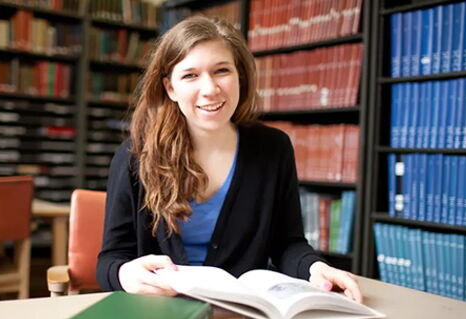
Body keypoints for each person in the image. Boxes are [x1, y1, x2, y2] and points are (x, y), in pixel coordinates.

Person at [96, 15, 363, 303]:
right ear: (170, 88)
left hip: (243, 314)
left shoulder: (273, 148)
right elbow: (110, 261)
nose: (210, 89)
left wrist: (315, 268)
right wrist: (125, 274)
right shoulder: (135, 156)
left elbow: (288, 244)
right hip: (158, 312)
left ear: (240, 76)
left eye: (221, 70)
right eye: (190, 75)